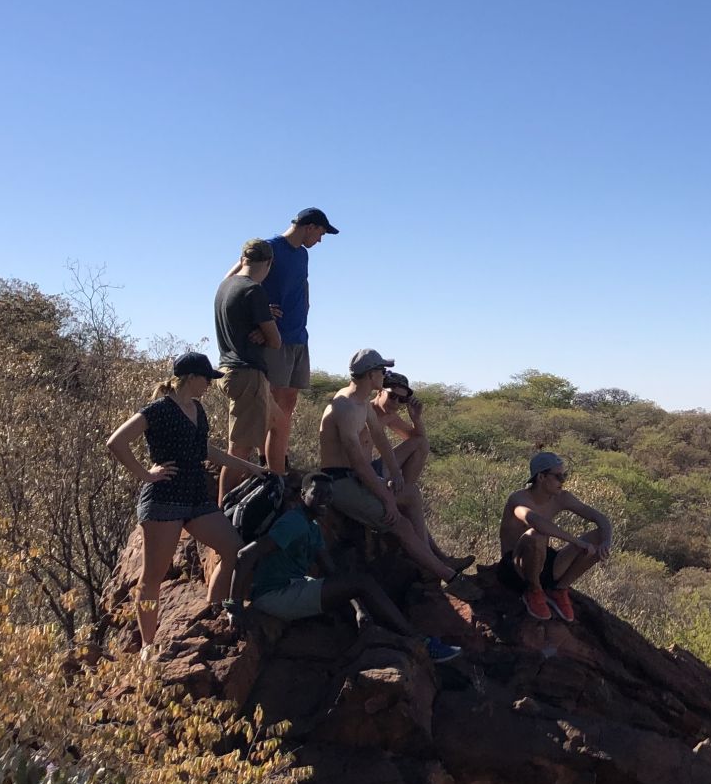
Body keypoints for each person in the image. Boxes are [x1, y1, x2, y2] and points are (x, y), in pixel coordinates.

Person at [104, 353, 275, 657]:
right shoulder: (158, 410)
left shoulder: (197, 409)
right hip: (164, 498)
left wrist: (249, 467)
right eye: (206, 378)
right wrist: (146, 473)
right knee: (152, 577)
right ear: (190, 377)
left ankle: (212, 612)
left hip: (196, 495)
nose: (210, 384)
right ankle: (147, 644)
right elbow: (116, 442)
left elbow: (206, 450)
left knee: (233, 548)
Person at [233, 473, 462, 662]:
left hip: (295, 586)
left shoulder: (311, 526)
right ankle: (419, 642)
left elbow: (332, 571)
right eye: (318, 493)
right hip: (275, 595)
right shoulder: (293, 522)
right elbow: (245, 556)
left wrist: (358, 609)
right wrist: (234, 608)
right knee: (362, 583)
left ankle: (383, 635)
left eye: (329, 494)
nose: (325, 498)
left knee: (356, 588)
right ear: (303, 494)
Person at [316, 348, 462, 582]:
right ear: (372, 375)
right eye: (382, 371)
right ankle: (449, 577)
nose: (384, 374)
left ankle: (431, 565)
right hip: (340, 481)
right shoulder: (344, 406)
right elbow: (358, 462)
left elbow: (381, 439)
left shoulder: (360, 402)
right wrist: (387, 498)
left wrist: (395, 474)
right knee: (400, 524)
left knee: (411, 494)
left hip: (356, 477)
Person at [261, 207, 338, 470]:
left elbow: (302, 284)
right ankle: (268, 466)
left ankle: (281, 462)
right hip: (275, 338)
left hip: (299, 337)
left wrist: (306, 305)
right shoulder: (268, 248)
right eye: (321, 233)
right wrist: (258, 310)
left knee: (289, 401)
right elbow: (236, 280)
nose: (320, 240)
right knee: (273, 403)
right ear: (310, 226)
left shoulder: (302, 255)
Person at [498, 452, 614, 622]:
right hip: (516, 566)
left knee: (597, 538)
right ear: (541, 477)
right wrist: (576, 542)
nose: (563, 481)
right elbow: (535, 521)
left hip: (544, 562)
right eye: (558, 476)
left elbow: (600, 518)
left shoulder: (561, 497)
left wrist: (606, 542)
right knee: (536, 535)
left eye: (564, 475)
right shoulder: (519, 499)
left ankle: (559, 589)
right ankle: (534, 591)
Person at [368, 370, 465, 566]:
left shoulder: (389, 416)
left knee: (421, 444)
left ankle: (439, 557)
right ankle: (433, 559)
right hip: (365, 471)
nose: (395, 402)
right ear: (379, 392)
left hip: (377, 468)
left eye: (401, 400)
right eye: (392, 396)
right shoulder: (366, 412)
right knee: (412, 498)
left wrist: (416, 418)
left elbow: (416, 439)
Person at [213, 237, 282, 503]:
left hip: (229, 370)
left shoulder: (224, 286)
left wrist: (263, 319)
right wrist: (267, 329)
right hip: (247, 374)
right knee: (237, 453)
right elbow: (276, 342)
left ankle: (275, 481)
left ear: (243, 259)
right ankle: (222, 520)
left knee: (279, 423)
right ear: (268, 264)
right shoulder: (254, 291)